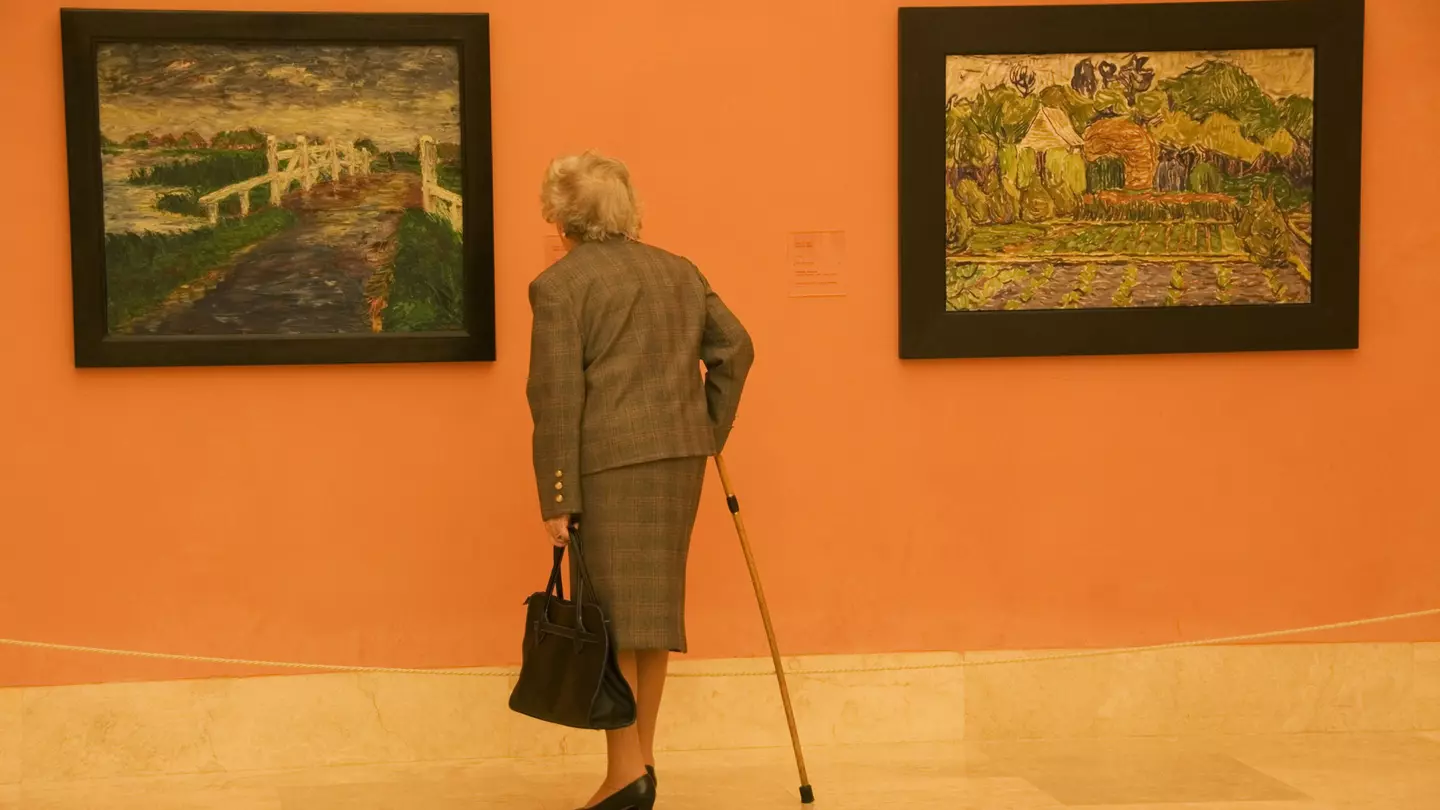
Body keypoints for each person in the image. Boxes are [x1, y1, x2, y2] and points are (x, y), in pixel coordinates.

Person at [526, 151, 754, 810]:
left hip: (607, 466)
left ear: (562, 218)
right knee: (648, 618)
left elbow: (555, 398)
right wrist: (706, 430)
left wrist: (558, 495)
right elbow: (737, 348)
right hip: (678, 462)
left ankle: (627, 773)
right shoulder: (679, 271)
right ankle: (640, 762)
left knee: (611, 620)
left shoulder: (559, 286)